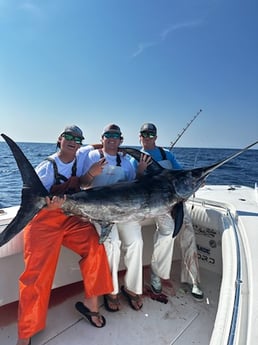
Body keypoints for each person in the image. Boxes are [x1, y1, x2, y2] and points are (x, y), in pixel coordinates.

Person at [16, 125, 113, 345]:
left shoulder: (80, 157)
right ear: (59, 140)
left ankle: (91, 305)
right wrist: (49, 206)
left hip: (70, 218)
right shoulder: (47, 166)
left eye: (77, 139)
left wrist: (93, 169)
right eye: (68, 137)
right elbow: (31, 202)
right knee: (36, 276)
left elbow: (85, 179)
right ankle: (25, 334)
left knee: (95, 247)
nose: (73, 140)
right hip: (42, 221)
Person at [80, 124, 145, 312]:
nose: (111, 138)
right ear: (102, 138)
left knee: (137, 242)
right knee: (113, 244)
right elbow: (83, 184)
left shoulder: (125, 161)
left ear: (121, 140)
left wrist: (140, 173)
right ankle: (111, 290)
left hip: (123, 211)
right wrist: (92, 173)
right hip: (98, 210)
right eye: (108, 135)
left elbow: (134, 186)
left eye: (115, 135)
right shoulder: (91, 156)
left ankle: (132, 288)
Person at [135, 122, 204, 301]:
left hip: (176, 202)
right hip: (153, 204)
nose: (147, 137)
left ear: (156, 137)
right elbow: (132, 182)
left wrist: (195, 183)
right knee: (167, 233)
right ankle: (156, 274)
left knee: (188, 230)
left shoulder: (167, 154)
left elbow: (183, 176)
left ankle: (193, 280)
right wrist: (141, 172)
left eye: (151, 134)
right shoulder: (133, 157)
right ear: (139, 136)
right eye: (144, 134)